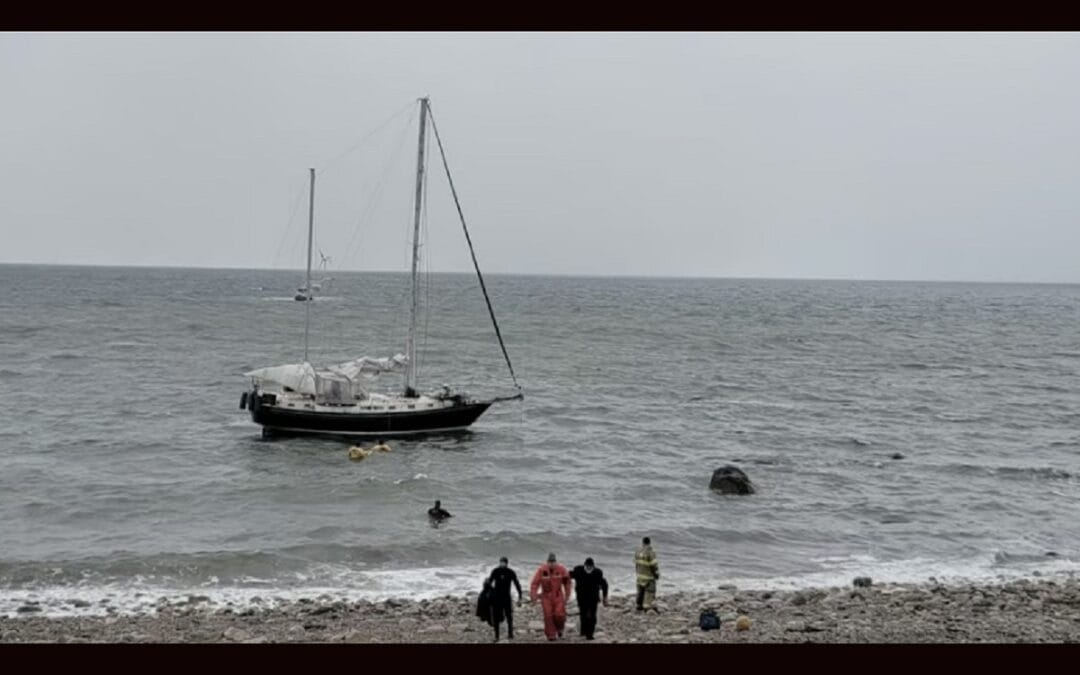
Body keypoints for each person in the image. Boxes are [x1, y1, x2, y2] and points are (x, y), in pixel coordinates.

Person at [529, 553, 572, 641]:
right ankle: (551, 635)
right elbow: (535, 584)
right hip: (546, 596)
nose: (552, 564)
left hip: (558, 595)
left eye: (553, 562)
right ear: (547, 562)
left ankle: (560, 629)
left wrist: (567, 595)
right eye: (550, 562)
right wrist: (533, 596)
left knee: (559, 614)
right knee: (548, 616)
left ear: (556, 562)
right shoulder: (541, 570)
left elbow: (567, 582)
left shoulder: (561, 569)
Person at [570, 557, 608, 640]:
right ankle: (583, 631)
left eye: (591, 567)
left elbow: (604, 584)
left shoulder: (597, 573)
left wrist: (605, 597)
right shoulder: (578, 571)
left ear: (593, 566)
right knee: (583, 614)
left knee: (592, 616)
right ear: (585, 565)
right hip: (581, 597)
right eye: (587, 567)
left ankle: (589, 634)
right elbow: (567, 576)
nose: (589, 569)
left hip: (593, 598)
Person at [486, 557, 523, 642]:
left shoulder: (510, 572)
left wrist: (520, 595)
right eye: (501, 562)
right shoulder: (495, 571)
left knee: (509, 616)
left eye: (504, 562)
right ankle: (496, 636)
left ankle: (510, 634)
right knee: (496, 618)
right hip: (497, 597)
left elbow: (516, 584)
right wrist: (488, 593)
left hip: (506, 597)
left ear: (507, 563)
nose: (502, 564)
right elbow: (490, 583)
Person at [634, 536, 660, 612]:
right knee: (650, 591)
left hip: (640, 575)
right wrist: (656, 574)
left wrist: (637, 572)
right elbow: (653, 565)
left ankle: (639, 605)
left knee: (640, 591)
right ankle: (648, 607)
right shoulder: (650, 552)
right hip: (648, 576)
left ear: (643, 542)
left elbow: (636, 564)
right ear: (649, 542)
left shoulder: (638, 551)